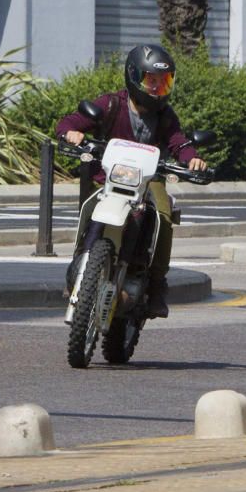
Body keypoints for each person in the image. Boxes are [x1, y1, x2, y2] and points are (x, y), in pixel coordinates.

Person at [57, 44, 208, 319]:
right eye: (152, 81)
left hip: (149, 180)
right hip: (109, 176)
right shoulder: (111, 104)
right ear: (134, 76)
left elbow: (179, 142)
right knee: (91, 206)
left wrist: (192, 158)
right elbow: (69, 122)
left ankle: (157, 283)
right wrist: (72, 134)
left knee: (162, 215)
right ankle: (80, 262)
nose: (157, 88)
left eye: (163, 82)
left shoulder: (165, 115)